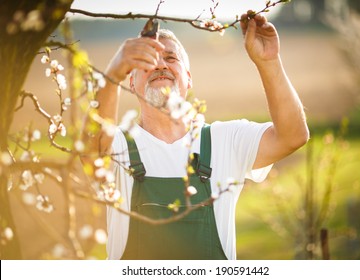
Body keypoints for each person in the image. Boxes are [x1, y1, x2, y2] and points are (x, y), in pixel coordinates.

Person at [89, 12, 309, 260]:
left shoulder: (223, 141)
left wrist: (269, 61)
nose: (160, 64)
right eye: (147, 60)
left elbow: (293, 136)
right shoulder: (118, 145)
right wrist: (114, 71)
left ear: (188, 79)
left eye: (171, 58)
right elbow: (91, 155)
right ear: (131, 82)